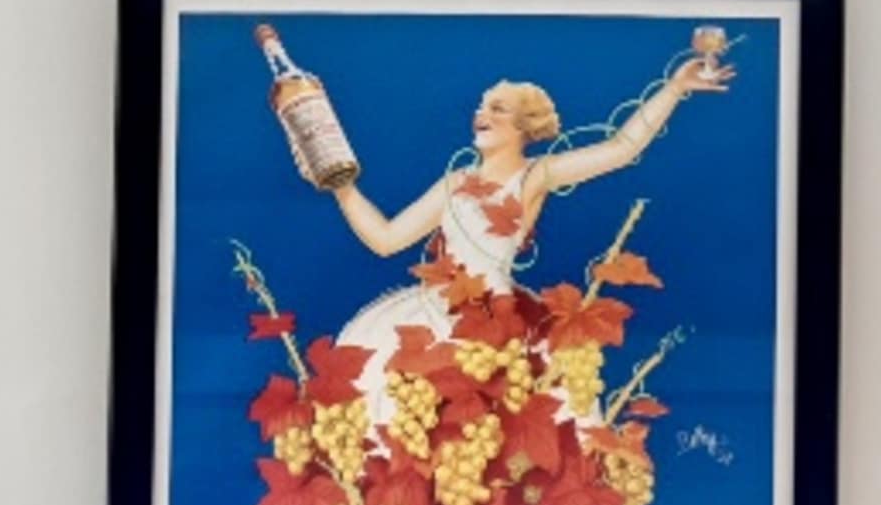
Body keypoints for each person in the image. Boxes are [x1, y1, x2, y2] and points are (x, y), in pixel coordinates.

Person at [305, 51, 732, 425]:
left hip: (497, 323)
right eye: (481, 106)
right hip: (430, 315)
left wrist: (675, 88)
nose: (482, 114)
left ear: (525, 126)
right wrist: (343, 189)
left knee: (506, 427)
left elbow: (622, 148)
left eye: (498, 108)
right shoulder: (456, 181)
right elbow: (385, 239)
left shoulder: (533, 176)